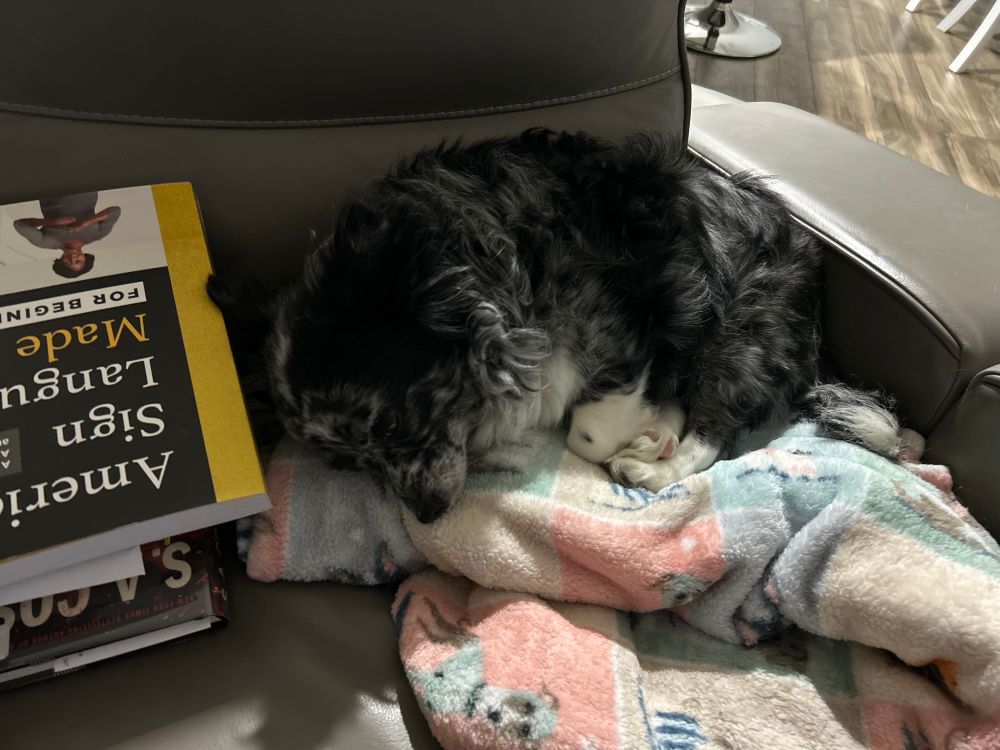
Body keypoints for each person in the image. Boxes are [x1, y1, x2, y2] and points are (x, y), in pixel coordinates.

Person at [12, 192, 121, 278]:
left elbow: (19, 225)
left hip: (50, 189)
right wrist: (84, 223)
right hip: (86, 188)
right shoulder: (99, 234)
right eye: (78, 261)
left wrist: (53, 222)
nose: (72, 259)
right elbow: (115, 211)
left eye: (68, 263)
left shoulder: (46, 242)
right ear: (85, 258)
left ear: (61, 260)